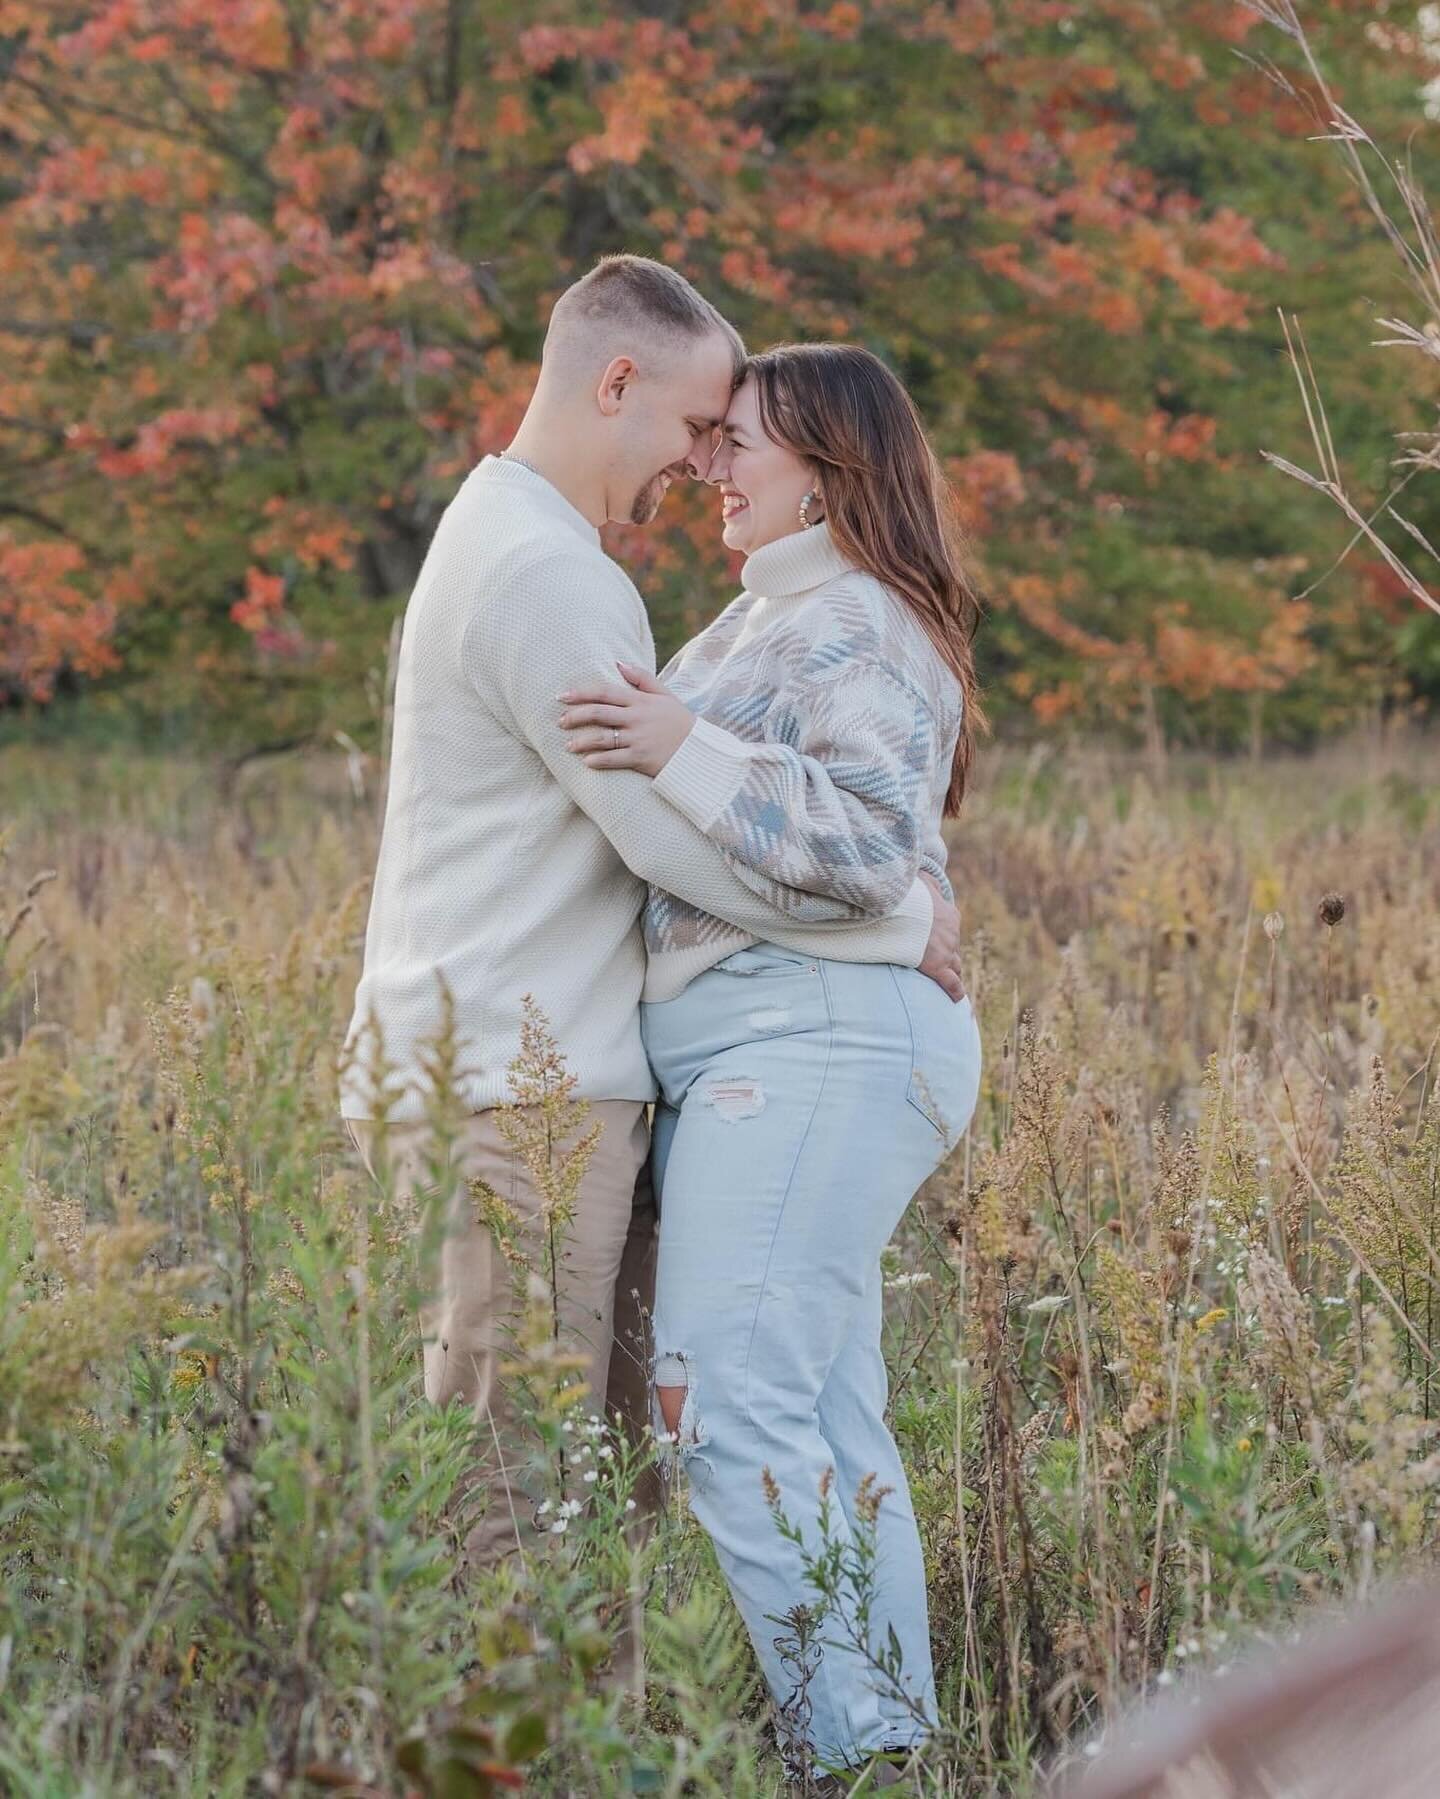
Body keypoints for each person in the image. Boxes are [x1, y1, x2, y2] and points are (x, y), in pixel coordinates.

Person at [338, 256, 967, 1580]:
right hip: (509, 1093)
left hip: (533, 1084)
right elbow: (667, 842)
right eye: (693, 429)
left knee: (593, 1498)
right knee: (515, 1504)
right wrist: (899, 928)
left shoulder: (519, 543)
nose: (696, 470)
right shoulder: (543, 574)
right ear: (614, 382)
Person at [556, 342, 986, 1784]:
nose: (706, 467)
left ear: (829, 468)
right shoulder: (757, 622)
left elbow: (865, 847)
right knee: (814, 1411)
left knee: (727, 1401)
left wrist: (685, 746)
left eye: (738, 442)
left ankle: (851, 1761)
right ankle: (891, 1750)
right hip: (778, 1046)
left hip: (814, 1043)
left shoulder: (858, 617)